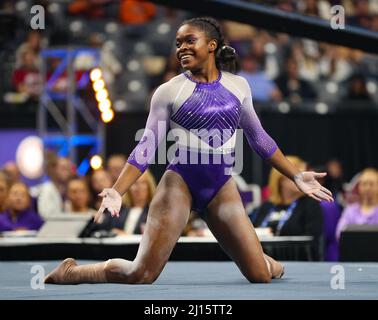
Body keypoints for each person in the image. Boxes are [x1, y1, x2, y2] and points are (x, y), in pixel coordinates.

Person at [45, 17, 333, 285]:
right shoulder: (169, 91)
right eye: (178, 43)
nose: (181, 48)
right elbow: (147, 145)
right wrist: (118, 190)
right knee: (141, 273)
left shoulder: (238, 86)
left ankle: (260, 260)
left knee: (260, 276)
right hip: (179, 182)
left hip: (221, 186)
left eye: (189, 41)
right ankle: (72, 272)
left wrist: (295, 176)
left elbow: (259, 139)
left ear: (212, 45)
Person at [250, 156, 324, 260]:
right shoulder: (267, 206)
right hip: (263, 261)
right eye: (297, 176)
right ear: (280, 179)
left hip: (298, 263)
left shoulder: (310, 205)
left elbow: (311, 242)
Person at [336, 168, 378, 240]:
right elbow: (339, 234)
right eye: (364, 184)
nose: (367, 188)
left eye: (371, 184)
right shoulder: (350, 210)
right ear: (359, 187)